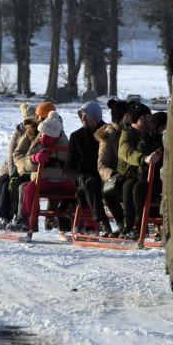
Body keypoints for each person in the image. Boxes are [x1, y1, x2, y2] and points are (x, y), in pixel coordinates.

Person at [12, 113, 76, 234]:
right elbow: (26, 162)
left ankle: (84, 222)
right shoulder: (38, 143)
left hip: (63, 181)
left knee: (82, 188)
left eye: (43, 134)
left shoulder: (65, 144)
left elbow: (73, 160)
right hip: (44, 181)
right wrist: (34, 159)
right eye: (40, 133)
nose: (40, 135)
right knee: (28, 188)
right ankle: (29, 221)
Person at [117, 102, 161, 240]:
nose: (148, 120)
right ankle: (128, 223)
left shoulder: (152, 135)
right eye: (144, 117)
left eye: (149, 117)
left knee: (139, 187)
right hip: (132, 173)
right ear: (136, 119)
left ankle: (140, 225)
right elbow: (127, 152)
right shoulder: (127, 134)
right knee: (129, 185)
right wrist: (144, 158)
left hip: (150, 177)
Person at [64, 101, 109, 236]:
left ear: (95, 115)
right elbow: (69, 166)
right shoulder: (76, 137)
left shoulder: (108, 132)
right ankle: (104, 222)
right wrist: (78, 177)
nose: (83, 119)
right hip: (86, 179)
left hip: (107, 176)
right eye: (82, 115)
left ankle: (130, 225)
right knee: (90, 183)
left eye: (86, 116)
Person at [0, 103, 34, 230]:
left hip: (28, 167)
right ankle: (3, 215)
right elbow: (12, 155)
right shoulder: (19, 131)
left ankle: (18, 215)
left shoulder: (37, 132)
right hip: (12, 166)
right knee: (6, 182)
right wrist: (13, 173)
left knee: (19, 185)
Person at [94, 99, 129, 235]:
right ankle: (121, 222)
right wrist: (113, 174)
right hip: (117, 176)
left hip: (132, 175)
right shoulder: (109, 137)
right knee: (107, 189)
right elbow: (102, 164)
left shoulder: (134, 133)